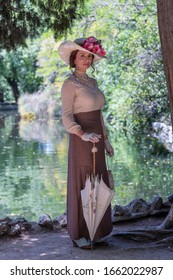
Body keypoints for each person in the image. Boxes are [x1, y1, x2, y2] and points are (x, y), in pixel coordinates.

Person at [58, 36, 114, 249]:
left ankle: (96, 231)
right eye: (83, 55)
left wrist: (106, 141)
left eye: (89, 56)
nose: (87, 59)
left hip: (98, 139)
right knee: (84, 183)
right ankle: (79, 233)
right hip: (82, 140)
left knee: (99, 181)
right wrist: (82, 134)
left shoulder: (92, 82)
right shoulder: (69, 84)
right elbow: (66, 116)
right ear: (74, 58)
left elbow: (99, 115)